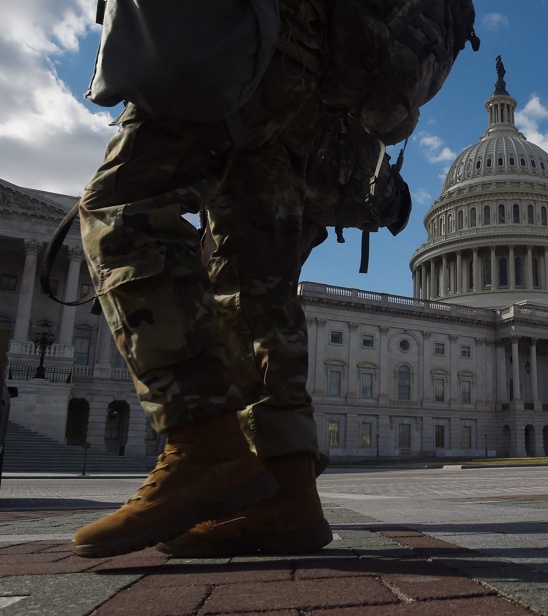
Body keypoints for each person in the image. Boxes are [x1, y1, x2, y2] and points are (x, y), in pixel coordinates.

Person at [70, 1, 337, 559]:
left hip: (229, 32)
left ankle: (205, 446)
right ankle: (289, 494)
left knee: (123, 209)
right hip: (309, 76)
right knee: (254, 283)